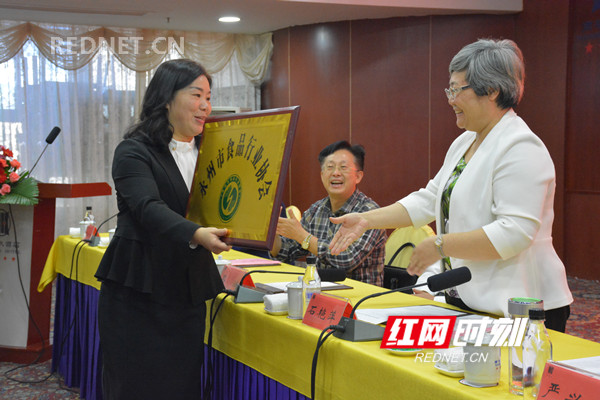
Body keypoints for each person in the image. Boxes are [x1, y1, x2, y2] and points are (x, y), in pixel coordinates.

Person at [329, 39, 573, 332]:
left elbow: (514, 233)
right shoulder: (466, 141)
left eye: (457, 89)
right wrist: (367, 219)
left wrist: (440, 245)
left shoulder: (521, 146)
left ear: (492, 91)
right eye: (449, 89)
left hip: (520, 306)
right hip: (470, 297)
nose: (450, 99)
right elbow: (429, 199)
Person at [95, 59, 231, 399]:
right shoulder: (134, 151)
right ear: (167, 98)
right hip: (138, 289)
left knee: (181, 385)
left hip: (186, 291)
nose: (205, 106)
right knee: (135, 385)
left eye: (209, 97)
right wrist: (196, 234)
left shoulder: (212, 154)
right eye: (196, 94)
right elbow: (147, 208)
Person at [270, 140, 387, 286]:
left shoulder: (370, 213)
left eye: (343, 167)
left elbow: (346, 260)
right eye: (330, 167)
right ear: (322, 175)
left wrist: (302, 236)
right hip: (319, 298)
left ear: (358, 176)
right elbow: (285, 252)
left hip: (361, 303)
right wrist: (273, 233)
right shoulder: (316, 210)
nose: (336, 173)